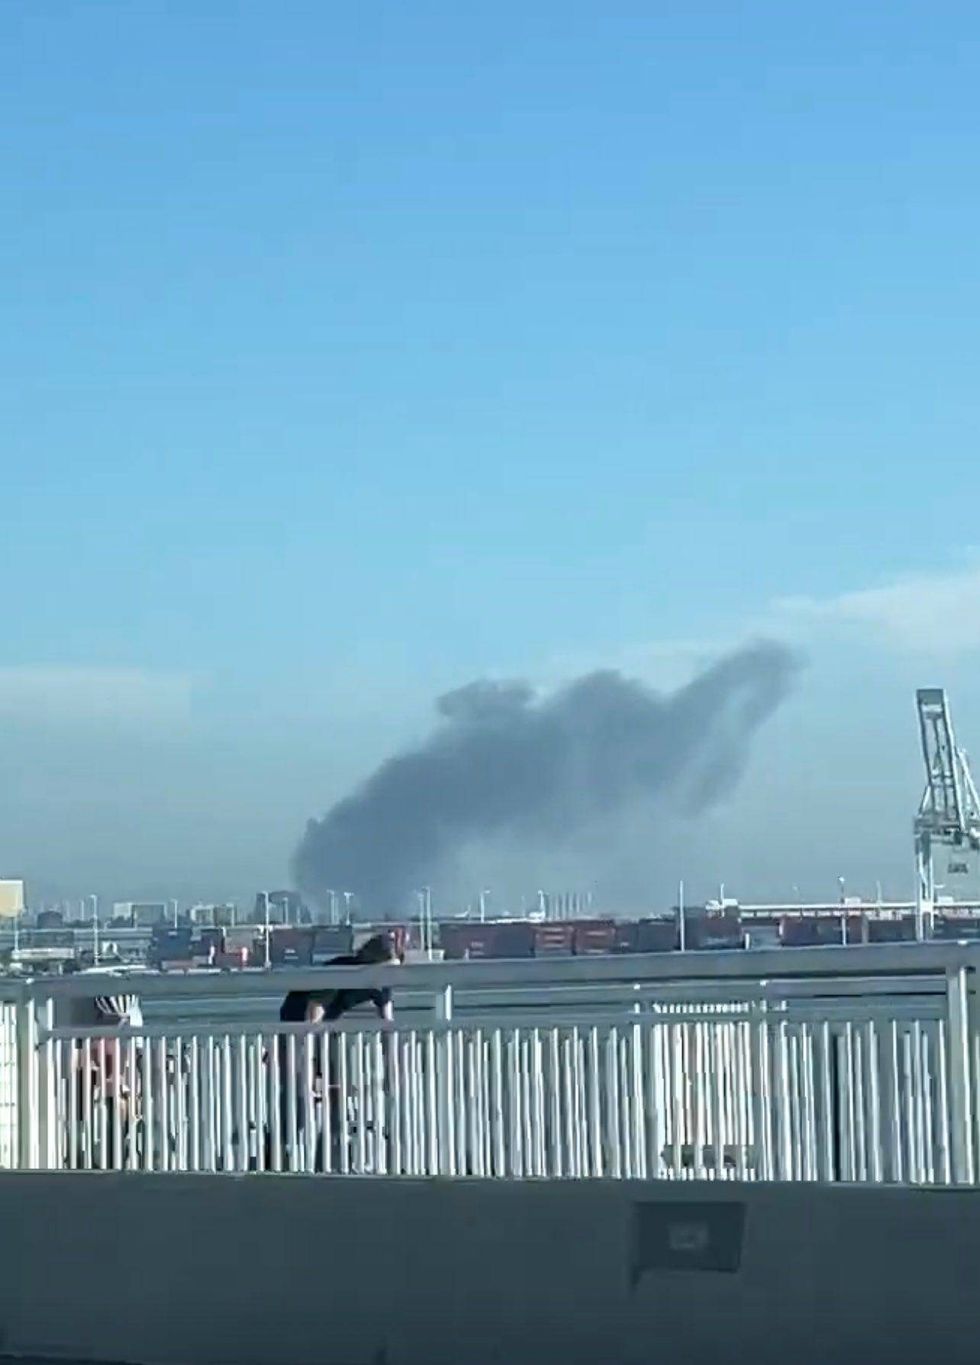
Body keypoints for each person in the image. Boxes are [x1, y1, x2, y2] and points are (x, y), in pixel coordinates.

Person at [268, 932, 402, 1170]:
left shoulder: (382, 981)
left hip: (327, 1029)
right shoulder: (341, 972)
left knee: (335, 1094)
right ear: (372, 964)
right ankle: (276, 1159)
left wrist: (392, 1069)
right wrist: (307, 1068)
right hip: (297, 1023)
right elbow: (312, 1015)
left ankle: (330, 1159)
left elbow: (387, 1025)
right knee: (297, 1096)